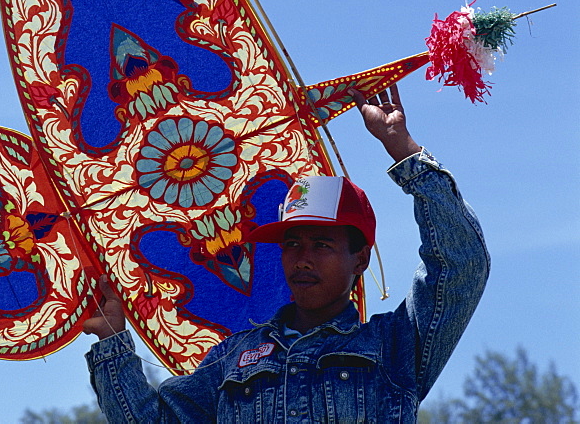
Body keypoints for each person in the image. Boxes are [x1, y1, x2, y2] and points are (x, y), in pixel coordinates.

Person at [83, 85, 489, 422]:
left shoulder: (396, 345)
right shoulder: (232, 358)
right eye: (292, 243)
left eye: (322, 244)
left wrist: (402, 149)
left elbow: (462, 263)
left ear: (360, 259)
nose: (303, 257)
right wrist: (112, 339)